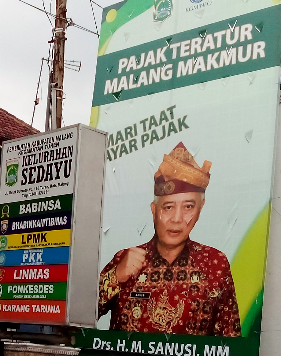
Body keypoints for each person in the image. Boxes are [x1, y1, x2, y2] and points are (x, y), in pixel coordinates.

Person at [98, 142, 241, 337]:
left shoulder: (214, 264)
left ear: (200, 210)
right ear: (154, 210)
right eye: (168, 207)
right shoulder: (124, 259)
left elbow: (229, 342)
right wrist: (115, 277)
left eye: (188, 207)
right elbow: (78, 317)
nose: (176, 218)